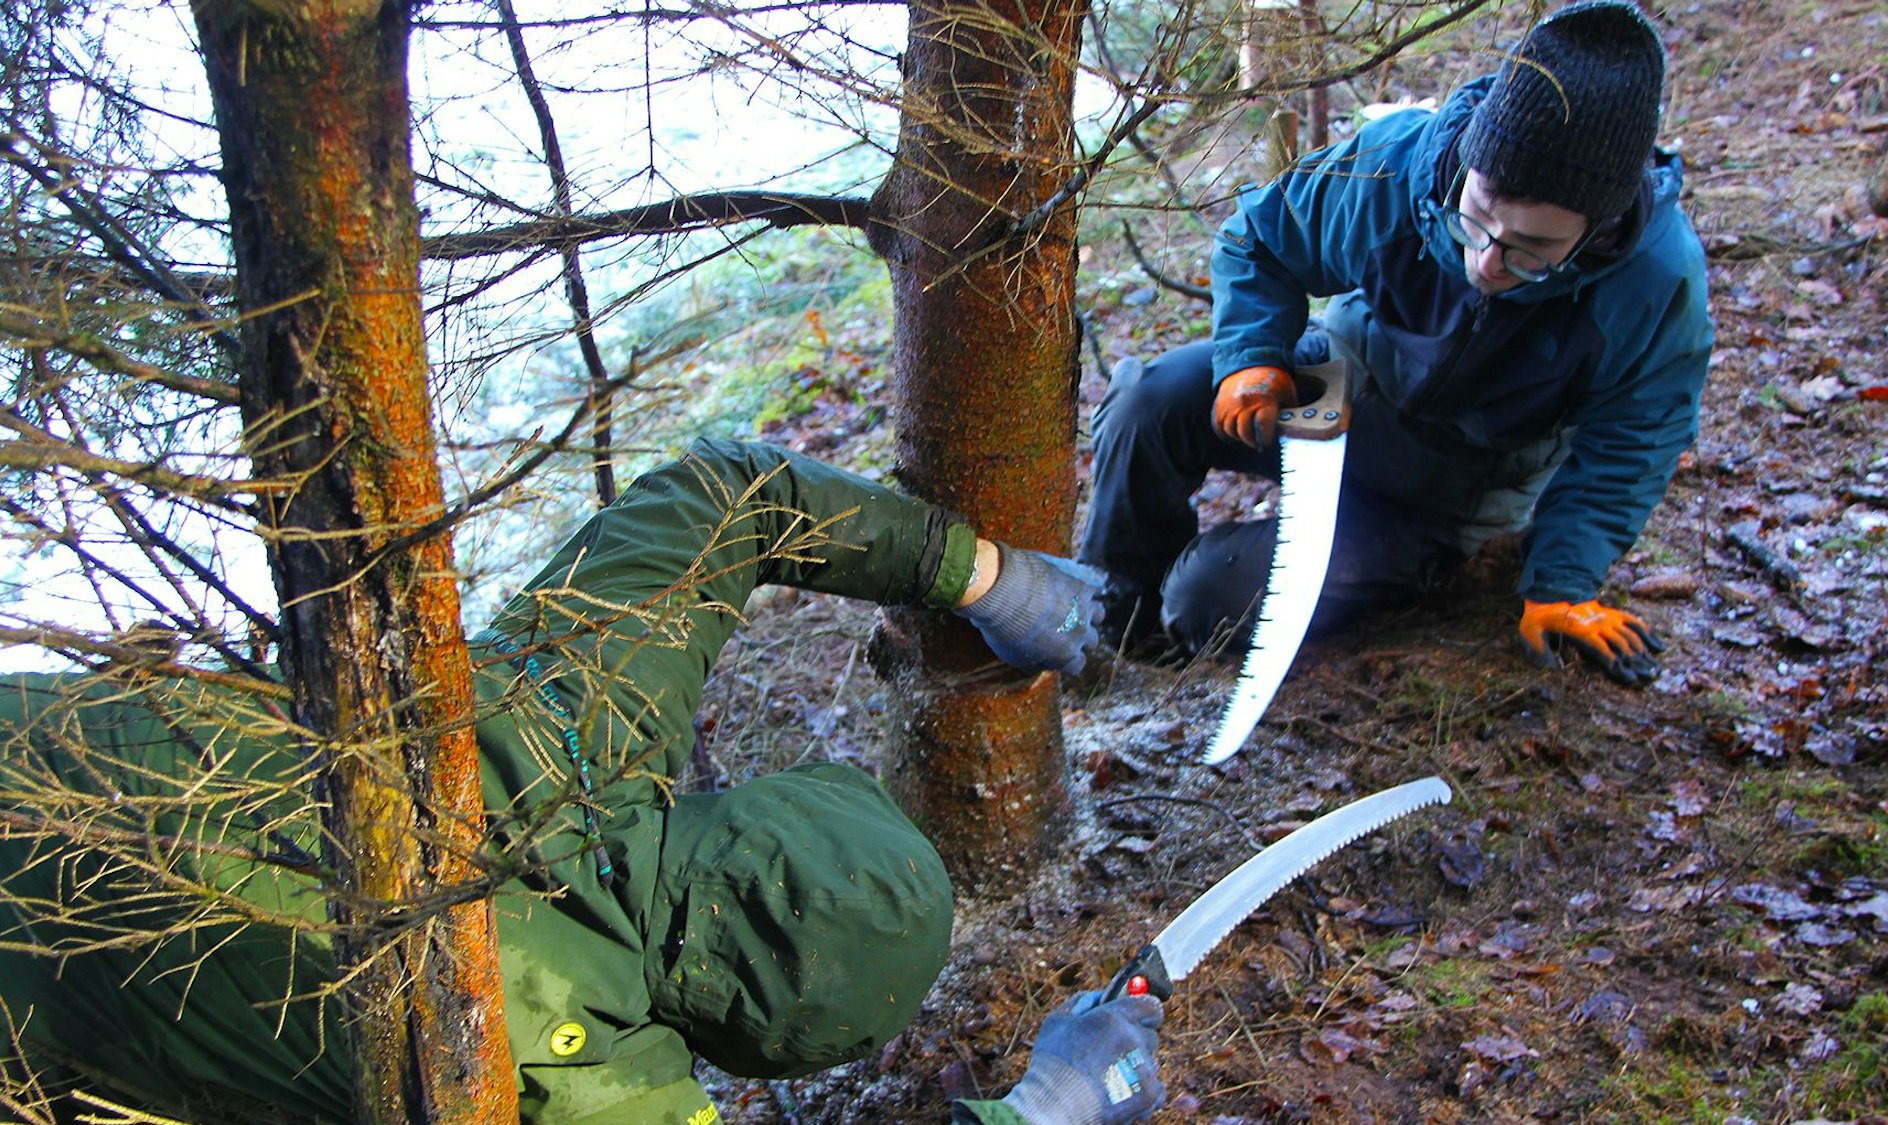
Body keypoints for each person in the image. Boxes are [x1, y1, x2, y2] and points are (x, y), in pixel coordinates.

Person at [0, 438, 1163, 1124]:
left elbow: (729, 493)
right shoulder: (584, 1080)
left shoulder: (584, 708)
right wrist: (1047, 1109)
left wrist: (983, 576)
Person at [1082, 0, 1713, 685]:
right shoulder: (1401, 168)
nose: (1487, 264)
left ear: (1599, 224)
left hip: (1445, 498)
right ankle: (1108, 631)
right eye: (1475, 222)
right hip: (1335, 394)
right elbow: (1261, 239)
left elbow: (1635, 441)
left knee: (1208, 601)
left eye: (1532, 251)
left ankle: (1237, 601)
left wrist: (1562, 579)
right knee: (1148, 403)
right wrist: (1254, 357)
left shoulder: (1654, 280)